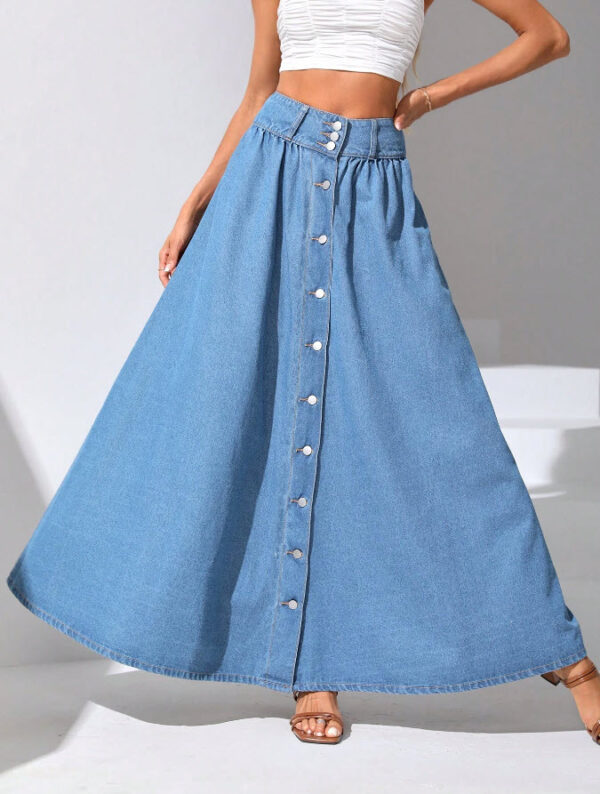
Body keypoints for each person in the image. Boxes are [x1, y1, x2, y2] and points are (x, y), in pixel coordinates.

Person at [6, 0, 599, 747]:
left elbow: (548, 37)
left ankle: (557, 650)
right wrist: (196, 200)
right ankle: (311, 669)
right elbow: (259, 93)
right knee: (224, 401)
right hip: (269, 178)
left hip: (373, 182)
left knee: (439, 415)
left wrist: (424, 98)